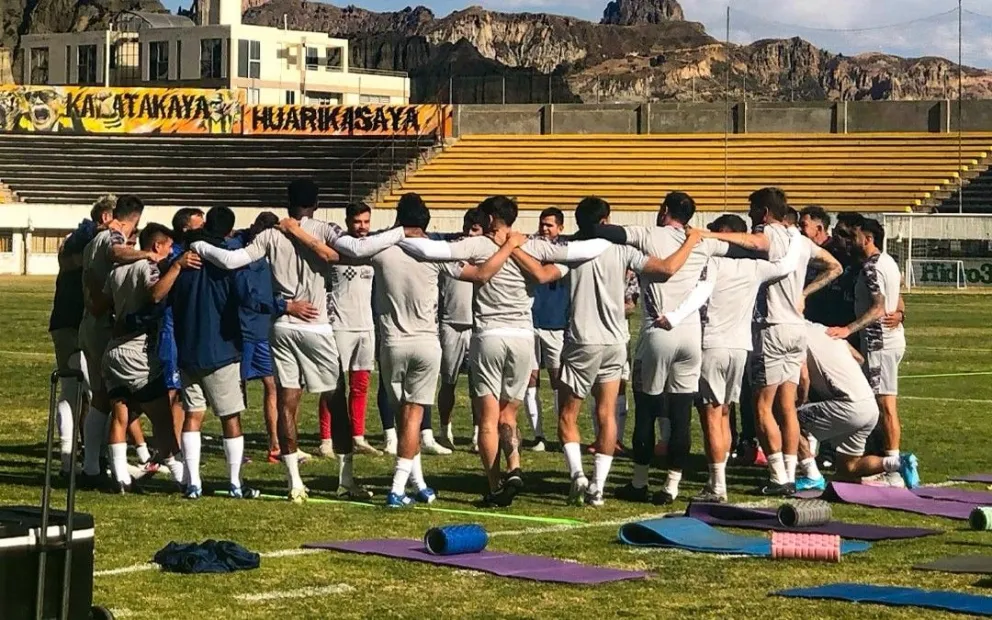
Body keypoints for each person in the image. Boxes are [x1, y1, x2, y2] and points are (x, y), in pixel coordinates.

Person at [192, 179, 407, 502]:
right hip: (316, 324)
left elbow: (232, 261)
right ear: (317, 202)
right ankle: (346, 480)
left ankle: (294, 482)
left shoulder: (271, 233)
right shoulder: (325, 228)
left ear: (288, 201)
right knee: (336, 400)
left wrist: (198, 246)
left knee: (287, 400)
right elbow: (359, 248)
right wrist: (402, 230)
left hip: (281, 325)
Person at [399, 195, 612, 507]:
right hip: (523, 338)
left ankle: (494, 484)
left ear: (487, 220)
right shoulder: (535, 244)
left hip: (489, 337)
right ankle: (514, 468)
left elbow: (431, 250)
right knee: (509, 413)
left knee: (487, 418)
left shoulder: (479, 245)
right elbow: (586, 250)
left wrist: (394, 236)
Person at [512, 196, 701, 507]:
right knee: (607, 413)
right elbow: (667, 269)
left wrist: (513, 248)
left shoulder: (572, 250)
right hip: (616, 341)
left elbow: (542, 275)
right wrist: (690, 242)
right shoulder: (622, 249)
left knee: (567, 415)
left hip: (583, 340)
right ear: (606, 220)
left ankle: (578, 476)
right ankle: (598, 486)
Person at [375, 194, 521, 507]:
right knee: (414, 416)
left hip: (392, 342)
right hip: (427, 342)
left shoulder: (383, 247)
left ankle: (411, 483)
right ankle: (404, 485)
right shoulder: (435, 254)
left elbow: (343, 252)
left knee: (405, 415)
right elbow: (479, 275)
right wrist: (507, 248)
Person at [588, 192, 730, 505]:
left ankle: (639, 482)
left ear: (664, 210)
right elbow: (750, 247)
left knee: (647, 412)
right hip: (691, 334)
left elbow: (604, 231)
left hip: (658, 331)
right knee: (680, 415)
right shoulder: (703, 240)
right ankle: (671, 486)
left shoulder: (649, 234)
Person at [701, 188, 841, 496]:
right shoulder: (801, 240)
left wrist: (709, 236)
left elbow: (756, 242)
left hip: (772, 328)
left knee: (762, 406)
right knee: (787, 406)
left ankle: (778, 476)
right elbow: (835, 266)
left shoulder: (771, 235)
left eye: (752, 210)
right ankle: (791, 474)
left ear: (764, 213)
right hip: (796, 328)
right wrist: (804, 293)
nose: (750, 216)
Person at [694, 214, 805, 503]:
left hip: (711, 343)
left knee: (710, 416)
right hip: (740, 347)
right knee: (726, 411)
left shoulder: (711, 262)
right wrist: (795, 239)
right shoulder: (755, 267)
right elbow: (787, 265)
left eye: (717, 232)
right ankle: (720, 481)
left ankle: (717, 484)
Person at [101, 222, 194, 493]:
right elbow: (154, 295)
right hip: (137, 352)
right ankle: (181, 475)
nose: (170, 251)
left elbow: (104, 303)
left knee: (121, 414)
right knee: (163, 420)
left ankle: (120, 476)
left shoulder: (117, 271)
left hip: (113, 350)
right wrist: (176, 268)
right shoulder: (149, 266)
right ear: (157, 246)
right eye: (168, 247)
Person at [77, 195, 159, 489]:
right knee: (106, 397)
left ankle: (96, 463)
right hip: (101, 324)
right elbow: (115, 253)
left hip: (89, 321)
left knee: (103, 396)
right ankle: (95, 466)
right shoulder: (113, 234)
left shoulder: (92, 240)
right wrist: (147, 255)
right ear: (135, 218)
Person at [824, 217, 908, 488]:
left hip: (878, 341)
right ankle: (877, 460)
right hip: (888, 340)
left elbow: (879, 307)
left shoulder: (872, 267)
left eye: (856, 236)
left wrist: (848, 329)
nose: (852, 241)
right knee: (879, 404)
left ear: (868, 238)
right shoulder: (887, 262)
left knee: (884, 405)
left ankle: (893, 467)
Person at [795, 323, 919, 489]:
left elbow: (804, 376)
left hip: (848, 405)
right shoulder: (825, 330)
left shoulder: (795, 335)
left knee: (787, 418)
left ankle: (812, 475)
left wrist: (800, 401)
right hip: (868, 405)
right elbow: (859, 358)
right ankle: (896, 463)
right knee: (849, 469)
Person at [49, 195, 115, 475]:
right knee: (92, 389)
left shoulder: (73, 241)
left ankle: (71, 456)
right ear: (104, 217)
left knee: (73, 390)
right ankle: (93, 456)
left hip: (64, 320)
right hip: (81, 321)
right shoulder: (96, 243)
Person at [231, 212, 298, 464]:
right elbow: (245, 293)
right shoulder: (243, 252)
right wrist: (281, 306)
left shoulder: (276, 250)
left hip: (265, 329)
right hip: (242, 329)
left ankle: (275, 444)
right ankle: (237, 444)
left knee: (273, 385)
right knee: (239, 388)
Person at [318, 203, 381, 458]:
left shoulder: (374, 248)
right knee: (332, 386)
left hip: (366, 325)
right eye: (357, 222)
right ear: (347, 221)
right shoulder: (336, 248)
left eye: (366, 221)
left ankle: (358, 436)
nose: (362, 227)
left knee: (361, 384)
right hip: (340, 325)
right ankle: (326, 439)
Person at [437, 207, 489, 452]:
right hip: (451, 323)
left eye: (475, 229)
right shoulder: (452, 250)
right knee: (448, 381)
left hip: (479, 325)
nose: (470, 233)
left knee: (479, 386)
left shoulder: (488, 253)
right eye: (468, 227)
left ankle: (479, 433)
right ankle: (444, 430)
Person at [525, 207, 569, 453]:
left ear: (560, 228)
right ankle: (537, 435)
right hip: (530, 322)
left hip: (556, 323)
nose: (545, 228)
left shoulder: (566, 252)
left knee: (557, 379)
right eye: (542, 224)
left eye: (550, 225)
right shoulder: (530, 248)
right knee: (530, 379)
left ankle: (561, 434)